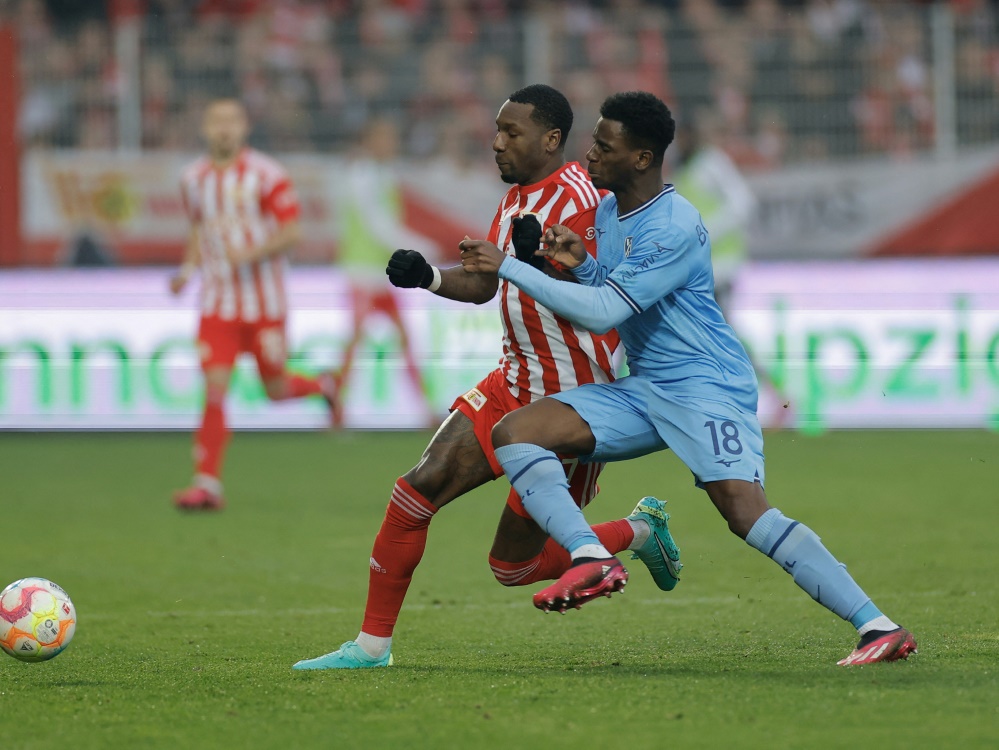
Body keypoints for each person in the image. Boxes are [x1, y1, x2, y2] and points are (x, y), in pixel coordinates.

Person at [458, 91, 916, 667]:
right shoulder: (607, 211)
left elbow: (604, 313)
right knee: (517, 431)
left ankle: (878, 626)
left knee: (744, 513)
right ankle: (589, 555)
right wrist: (584, 263)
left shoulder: (674, 225)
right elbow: (613, 288)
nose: (591, 154)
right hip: (648, 386)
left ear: (643, 158)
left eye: (605, 145)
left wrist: (511, 267)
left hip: (705, 386)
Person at [293, 84, 683, 671]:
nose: (497, 144)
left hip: (572, 405)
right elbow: (486, 283)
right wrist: (427, 277)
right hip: (512, 383)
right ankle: (372, 647)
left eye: (511, 134)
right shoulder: (515, 200)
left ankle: (637, 531)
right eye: (496, 132)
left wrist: (543, 261)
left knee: (514, 569)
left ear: (550, 140)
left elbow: (608, 290)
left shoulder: (587, 197)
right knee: (414, 490)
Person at [171, 98, 336, 511]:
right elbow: (198, 228)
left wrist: (251, 253)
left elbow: (292, 232)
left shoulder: (267, 175)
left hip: (265, 304)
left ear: (244, 127)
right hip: (217, 305)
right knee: (214, 389)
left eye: (231, 121)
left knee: (276, 389)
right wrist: (187, 269)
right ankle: (207, 484)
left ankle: (322, 385)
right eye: (216, 121)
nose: (224, 129)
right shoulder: (192, 179)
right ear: (205, 128)